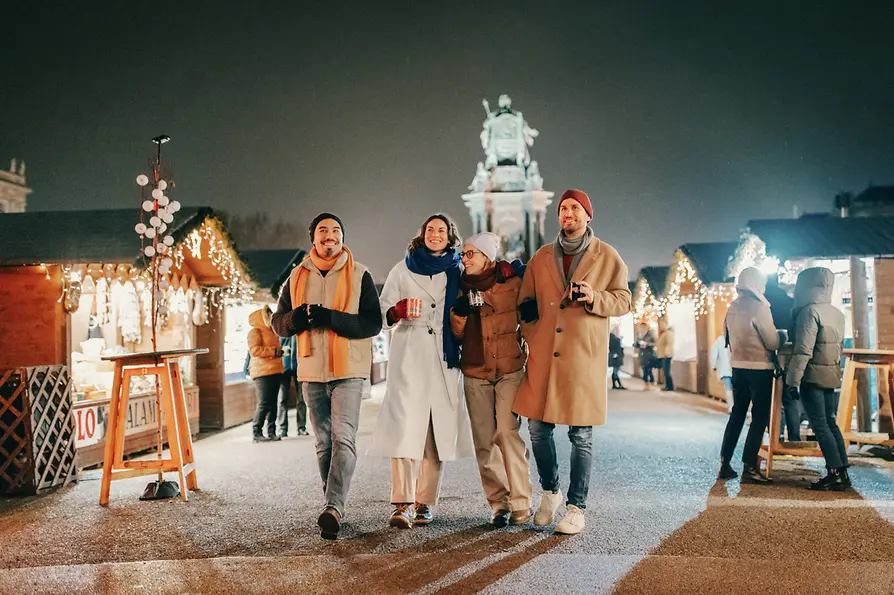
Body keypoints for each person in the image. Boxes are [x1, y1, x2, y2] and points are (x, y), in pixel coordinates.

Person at [514, 189, 631, 535]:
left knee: (581, 435)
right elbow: (526, 303)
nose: (568, 213)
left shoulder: (607, 256)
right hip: (545, 355)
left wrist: (594, 297)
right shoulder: (541, 257)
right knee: (537, 429)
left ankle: (577, 507)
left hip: (583, 357)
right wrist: (534, 334)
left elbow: (624, 300)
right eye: (563, 208)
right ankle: (550, 491)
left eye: (575, 208)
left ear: (587, 216)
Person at [271, 213, 382, 540]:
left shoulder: (360, 275)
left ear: (342, 238)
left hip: (349, 369)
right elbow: (277, 323)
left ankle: (334, 507)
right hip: (311, 368)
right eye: (323, 230)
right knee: (322, 443)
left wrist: (330, 318)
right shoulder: (295, 278)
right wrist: (297, 319)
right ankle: (332, 505)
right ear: (313, 239)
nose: (329, 235)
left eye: (335, 230)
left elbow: (372, 323)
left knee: (342, 437)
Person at [369, 213, 474, 529]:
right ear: (422, 234)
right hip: (410, 355)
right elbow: (382, 311)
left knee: (434, 434)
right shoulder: (401, 269)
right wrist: (397, 311)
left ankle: (424, 503)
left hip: (443, 359)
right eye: (431, 229)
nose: (436, 234)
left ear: (450, 236)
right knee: (403, 429)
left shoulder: (458, 271)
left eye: (441, 230)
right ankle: (401, 503)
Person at [449, 232, 532, 527]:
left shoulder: (513, 282)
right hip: (475, 370)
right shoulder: (459, 287)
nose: (465, 258)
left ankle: (521, 501)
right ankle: (499, 503)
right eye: (464, 254)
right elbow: (457, 336)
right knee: (484, 442)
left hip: (509, 368)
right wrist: (458, 316)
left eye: (471, 253)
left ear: (488, 256)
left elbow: (530, 319)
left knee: (508, 434)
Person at [785, 267, 849, 491]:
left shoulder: (808, 313)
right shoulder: (837, 313)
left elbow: (803, 350)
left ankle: (834, 472)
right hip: (831, 375)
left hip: (812, 376)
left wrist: (792, 381)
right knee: (830, 422)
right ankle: (843, 472)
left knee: (820, 425)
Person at [718, 267, 779, 483]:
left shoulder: (732, 306)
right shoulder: (760, 307)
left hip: (737, 367)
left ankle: (724, 463)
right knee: (759, 416)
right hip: (760, 367)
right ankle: (749, 466)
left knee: (737, 415)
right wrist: (781, 337)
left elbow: (725, 335)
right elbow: (771, 341)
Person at [765, 274, 803, 441]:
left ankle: (776, 436)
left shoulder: (763, 304)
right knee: (790, 398)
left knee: (771, 398)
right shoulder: (791, 302)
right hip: (790, 354)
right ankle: (794, 438)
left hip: (768, 355)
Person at [248, 307, 284, 443]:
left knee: (273, 403)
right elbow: (254, 350)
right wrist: (274, 351)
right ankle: (256, 432)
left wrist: (279, 352)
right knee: (264, 403)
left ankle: (271, 431)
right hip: (262, 372)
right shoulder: (255, 331)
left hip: (275, 369)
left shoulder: (272, 331)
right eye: (268, 315)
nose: (270, 317)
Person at [277, 334, 308, 437]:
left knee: (301, 399)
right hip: (283, 369)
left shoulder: (300, 331)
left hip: (299, 368)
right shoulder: (281, 330)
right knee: (282, 399)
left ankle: (301, 428)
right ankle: (282, 428)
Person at [709, 334, 733, 412]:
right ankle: (736, 408)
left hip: (724, 368)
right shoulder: (736, 337)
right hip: (735, 368)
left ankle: (731, 407)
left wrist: (714, 365)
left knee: (728, 388)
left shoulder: (720, 340)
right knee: (736, 388)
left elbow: (713, 353)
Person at [656, 318, 675, 391]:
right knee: (665, 371)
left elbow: (669, 344)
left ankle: (669, 386)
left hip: (666, 355)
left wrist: (667, 353)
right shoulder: (664, 333)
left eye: (662, 324)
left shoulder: (668, 333)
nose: (661, 326)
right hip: (663, 354)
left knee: (667, 371)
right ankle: (667, 385)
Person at [637, 326, 658, 390]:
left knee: (647, 370)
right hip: (642, 355)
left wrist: (647, 344)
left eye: (642, 328)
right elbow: (636, 344)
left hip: (649, 355)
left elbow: (655, 343)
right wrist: (638, 344)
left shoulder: (650, 335)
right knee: (645, 370)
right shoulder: (639, 335)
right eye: (640, 328)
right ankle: (651, 382)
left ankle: (648, 383)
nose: (641, 329)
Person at [609, 325, 626, 390]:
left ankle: (616, 385)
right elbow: (617, 349)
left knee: (615, 371)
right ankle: (618, 385)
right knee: (615, 371)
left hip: (615, 356)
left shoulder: (611, 338)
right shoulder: (614, 339)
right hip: (616, 357)